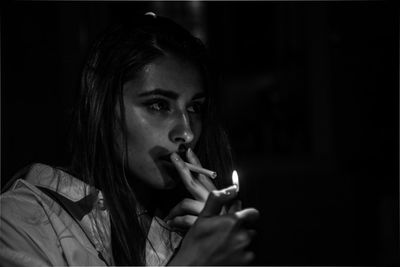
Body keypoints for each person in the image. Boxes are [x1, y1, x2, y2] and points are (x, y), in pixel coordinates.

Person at [0, 13, 259, 266]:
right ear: (101, 105)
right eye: (158, 105)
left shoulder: (185, 224)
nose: (187, 133)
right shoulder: (23, 219)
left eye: (194, 109)